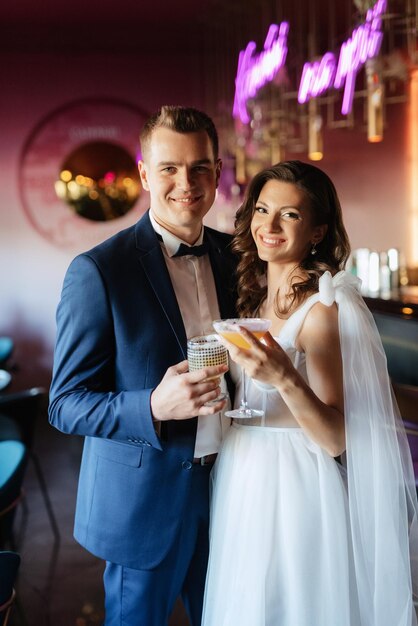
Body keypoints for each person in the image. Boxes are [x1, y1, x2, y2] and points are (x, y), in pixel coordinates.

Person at [202, 160, 418, 626]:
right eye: (262, 210)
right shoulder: (256, 300)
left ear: (318, 232)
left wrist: (284, 378)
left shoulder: (321, 309)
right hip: (243, 469)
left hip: (292, 481)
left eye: (291, 215)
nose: (269, 226)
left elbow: (337, 438)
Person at [48, 105, 237, 626]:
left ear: (218, 173)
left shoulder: (237, 258)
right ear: (145, 173)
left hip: (236, 488)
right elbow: (64, 405)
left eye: (200, 167)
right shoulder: (98, 271)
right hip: (145, 501)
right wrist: (152, 405)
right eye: (170, 168)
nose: (186, 182)